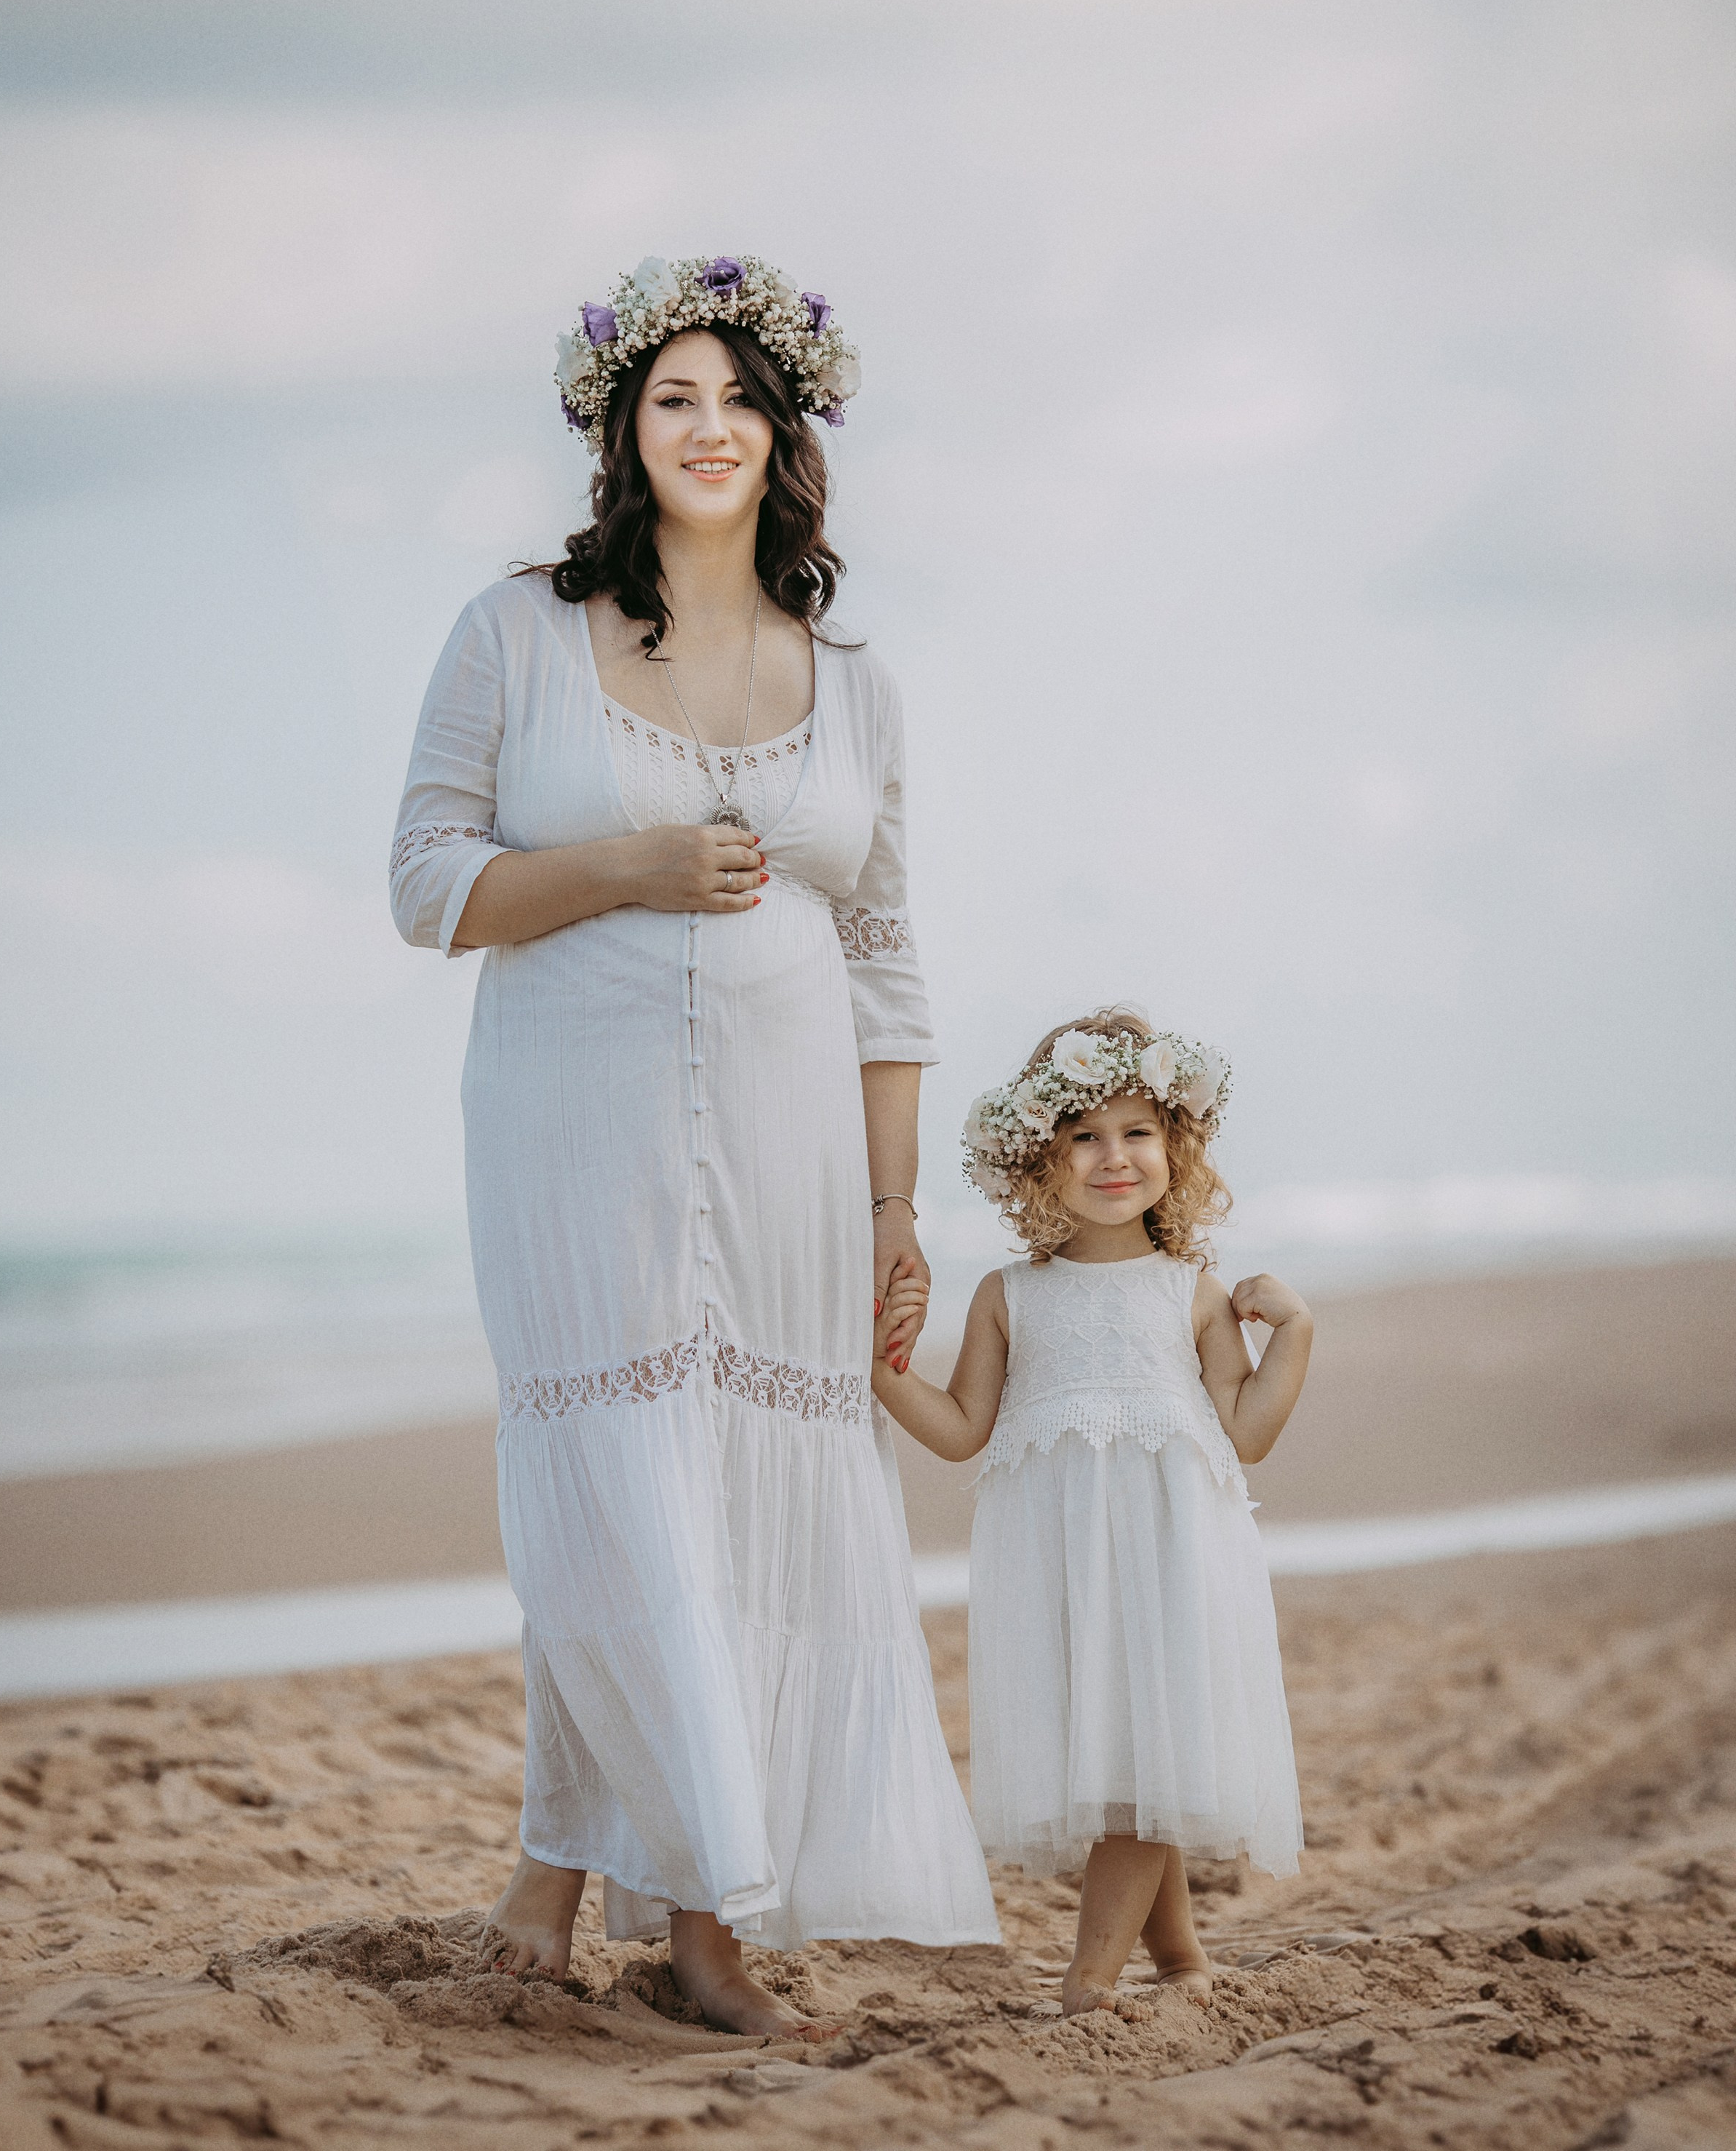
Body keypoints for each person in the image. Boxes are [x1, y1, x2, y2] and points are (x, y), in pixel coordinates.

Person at [389, 254, 997, 2040]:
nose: (709, 424)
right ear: (624, 431)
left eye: (740, 397)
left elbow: (886, 964)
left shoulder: (855, 685)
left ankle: (555, 1873)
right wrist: (628, 869)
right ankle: (704, 1920)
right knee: (625, 1486)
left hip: (800, 1156)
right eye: (675, 396)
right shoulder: (518, 630)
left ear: (786, 432)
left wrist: (897, 1208)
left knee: (731, 1497)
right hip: (574, 1133)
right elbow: (426, 883)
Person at [871, 1005, 1310, 2018]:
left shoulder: (1192, 1292)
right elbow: (961, 1428)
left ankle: (1090, 1978)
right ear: (1040, 1157)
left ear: (1176, 1146)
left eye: (1138, 1132)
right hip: (1060, 1560)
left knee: (1144, 1762)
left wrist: (1295, 1332)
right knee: (1127, 1757)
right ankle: (1181, 1959)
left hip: (1172, 1551)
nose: (1114, 1157)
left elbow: (1248, 1431)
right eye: (1084, 1136)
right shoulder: (1009, 1294)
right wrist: (880, 1369)